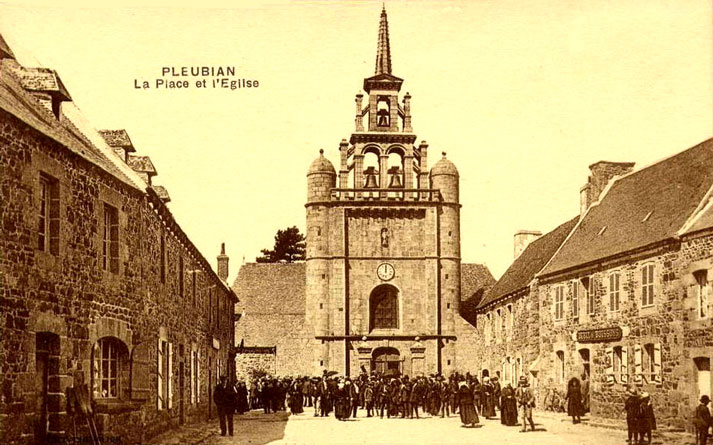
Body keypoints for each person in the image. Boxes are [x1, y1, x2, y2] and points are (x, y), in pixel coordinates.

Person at [66, 370, 99, 444]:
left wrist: (91, 406)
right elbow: (72, 400)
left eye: (80, 379)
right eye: (77, 379)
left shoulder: (84, 390)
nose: (79, 381)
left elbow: (88, 399)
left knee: (89, 414)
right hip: (79, 410)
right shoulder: (72, 390)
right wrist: (72, 407)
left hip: (86, 409)